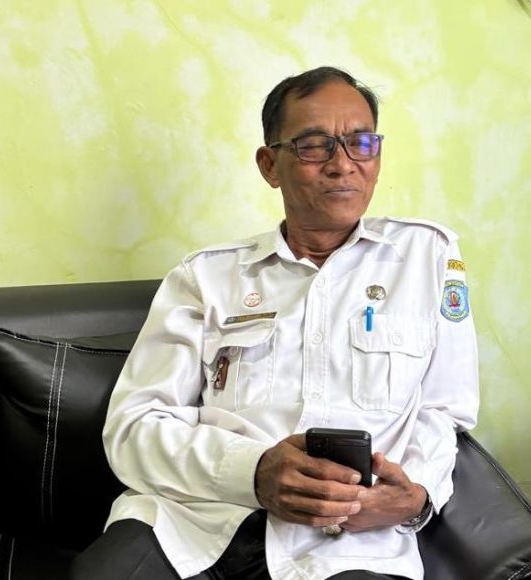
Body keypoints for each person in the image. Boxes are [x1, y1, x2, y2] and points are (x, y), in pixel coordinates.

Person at [71, 66, 479, 580]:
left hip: (348, 544)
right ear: (270, 165)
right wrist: (254, 470)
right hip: (194, 522)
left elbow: (445, 411)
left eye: (361, 143)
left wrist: (415, 497)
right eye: (314, 146)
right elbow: (133, 428)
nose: (342, 165)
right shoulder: (206, 277)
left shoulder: (426, 257)